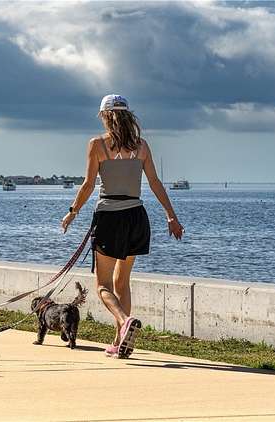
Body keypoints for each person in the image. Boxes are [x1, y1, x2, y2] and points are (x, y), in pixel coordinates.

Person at [61, 94, 184, 358]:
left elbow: (88, 185)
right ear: (128, 116)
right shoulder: (141, 146)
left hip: (110, 217)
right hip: (136, 216)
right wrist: (171, 216)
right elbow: (154, 182)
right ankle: (119, 342)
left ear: (105, 116)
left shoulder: (97, 145)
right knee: (122, 282)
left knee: (103, 285)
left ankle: (124, 320)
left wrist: (72, 212)